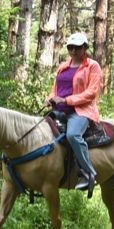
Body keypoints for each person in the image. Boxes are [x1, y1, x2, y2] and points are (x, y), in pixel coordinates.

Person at [46, 31, 103, 193]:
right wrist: (50, 98)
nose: (73, 51)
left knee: (72, 135)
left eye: (77, 47)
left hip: (81, 111)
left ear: (84, 47)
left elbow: (91, 92)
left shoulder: (92, 66)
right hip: (59, 110)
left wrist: (67, 100)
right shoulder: (63, 66)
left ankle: (89, 173)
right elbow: (55, 89)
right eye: (70, 47)